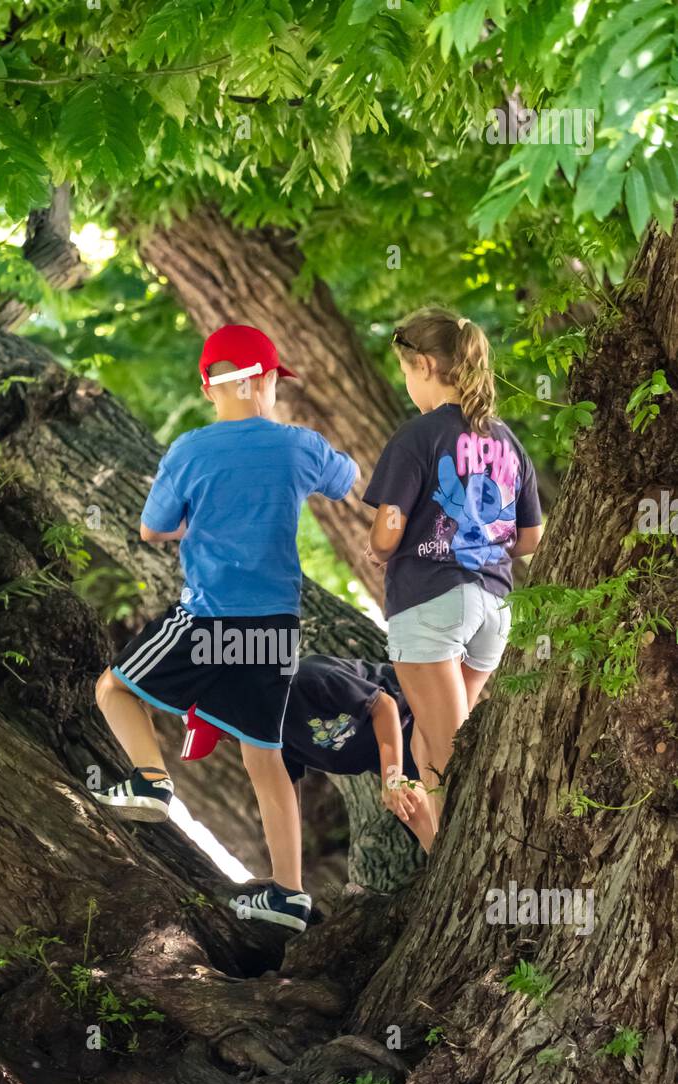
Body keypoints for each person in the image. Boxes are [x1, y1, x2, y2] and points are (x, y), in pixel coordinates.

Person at [93, 323, 360, 931]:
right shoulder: (300, 445)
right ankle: (290, 894)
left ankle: (154, 783)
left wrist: (204, 526)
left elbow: (153, 530)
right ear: (265, 380)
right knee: (266, 760)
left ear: (210, 388)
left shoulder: (190, 449)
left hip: (209, 618)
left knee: (113, 688)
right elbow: (348, 481)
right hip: (274, 628)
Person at [363, 307, 542, 825]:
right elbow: (528, 537)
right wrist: (477, 544)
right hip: (494, 607)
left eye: (404, 370)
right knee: (429, 745)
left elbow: (390, 526)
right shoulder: (507, 442)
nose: (405, 383)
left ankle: (471, 875)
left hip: (432, 601)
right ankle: (436, 858)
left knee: (452, 759)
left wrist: (377, 547)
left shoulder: (418, 436)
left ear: (423, 365)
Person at [280, 654, 436, 854]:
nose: (224, 739)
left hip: (414, 723)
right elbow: (283, 802)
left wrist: (392, 780)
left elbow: (384, 706)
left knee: (411, 796)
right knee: (412, 808)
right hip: (390, 763)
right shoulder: (271, 741)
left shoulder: (307, 677)